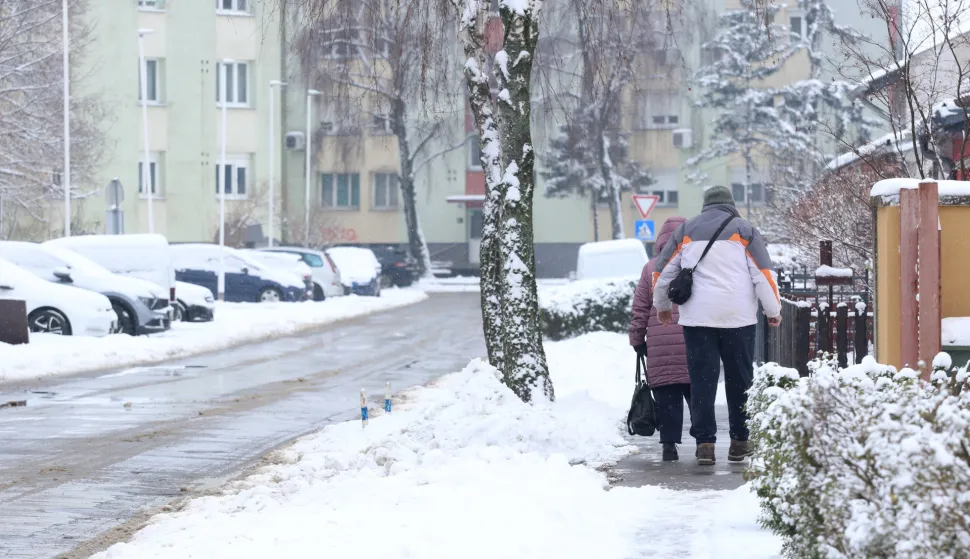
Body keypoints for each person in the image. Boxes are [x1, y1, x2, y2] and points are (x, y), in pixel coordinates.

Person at [652, 186, 781, 466]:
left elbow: (662, 272)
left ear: (706, 205)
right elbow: (763, 274)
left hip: (698, 320)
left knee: (702, 382)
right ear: (730, 204)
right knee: (740, 380)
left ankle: (705, 445)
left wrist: (662, 306)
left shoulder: (685, 230)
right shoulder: (745, 230)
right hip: (738, 319)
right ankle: (739, 442)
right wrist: (773, 309)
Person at [629, 216, 692, 462]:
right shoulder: (695, 263)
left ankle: (668, 445)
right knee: (698, 396)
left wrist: (637, 339)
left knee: (667, 398)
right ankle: (704, 442)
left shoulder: (650, 268)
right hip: (693, 341)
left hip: (659, 345)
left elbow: (640, 308)